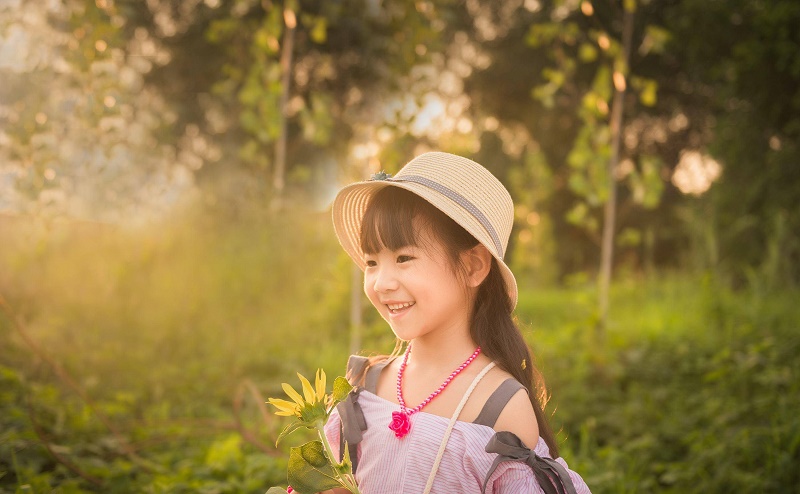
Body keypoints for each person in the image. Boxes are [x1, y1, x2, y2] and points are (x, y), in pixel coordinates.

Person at [324, 152, 590, 493]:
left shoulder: (501, 407)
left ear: (472, 267)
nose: (381, 282)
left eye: (404, 257)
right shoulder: (364, 386)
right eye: (372, 261)